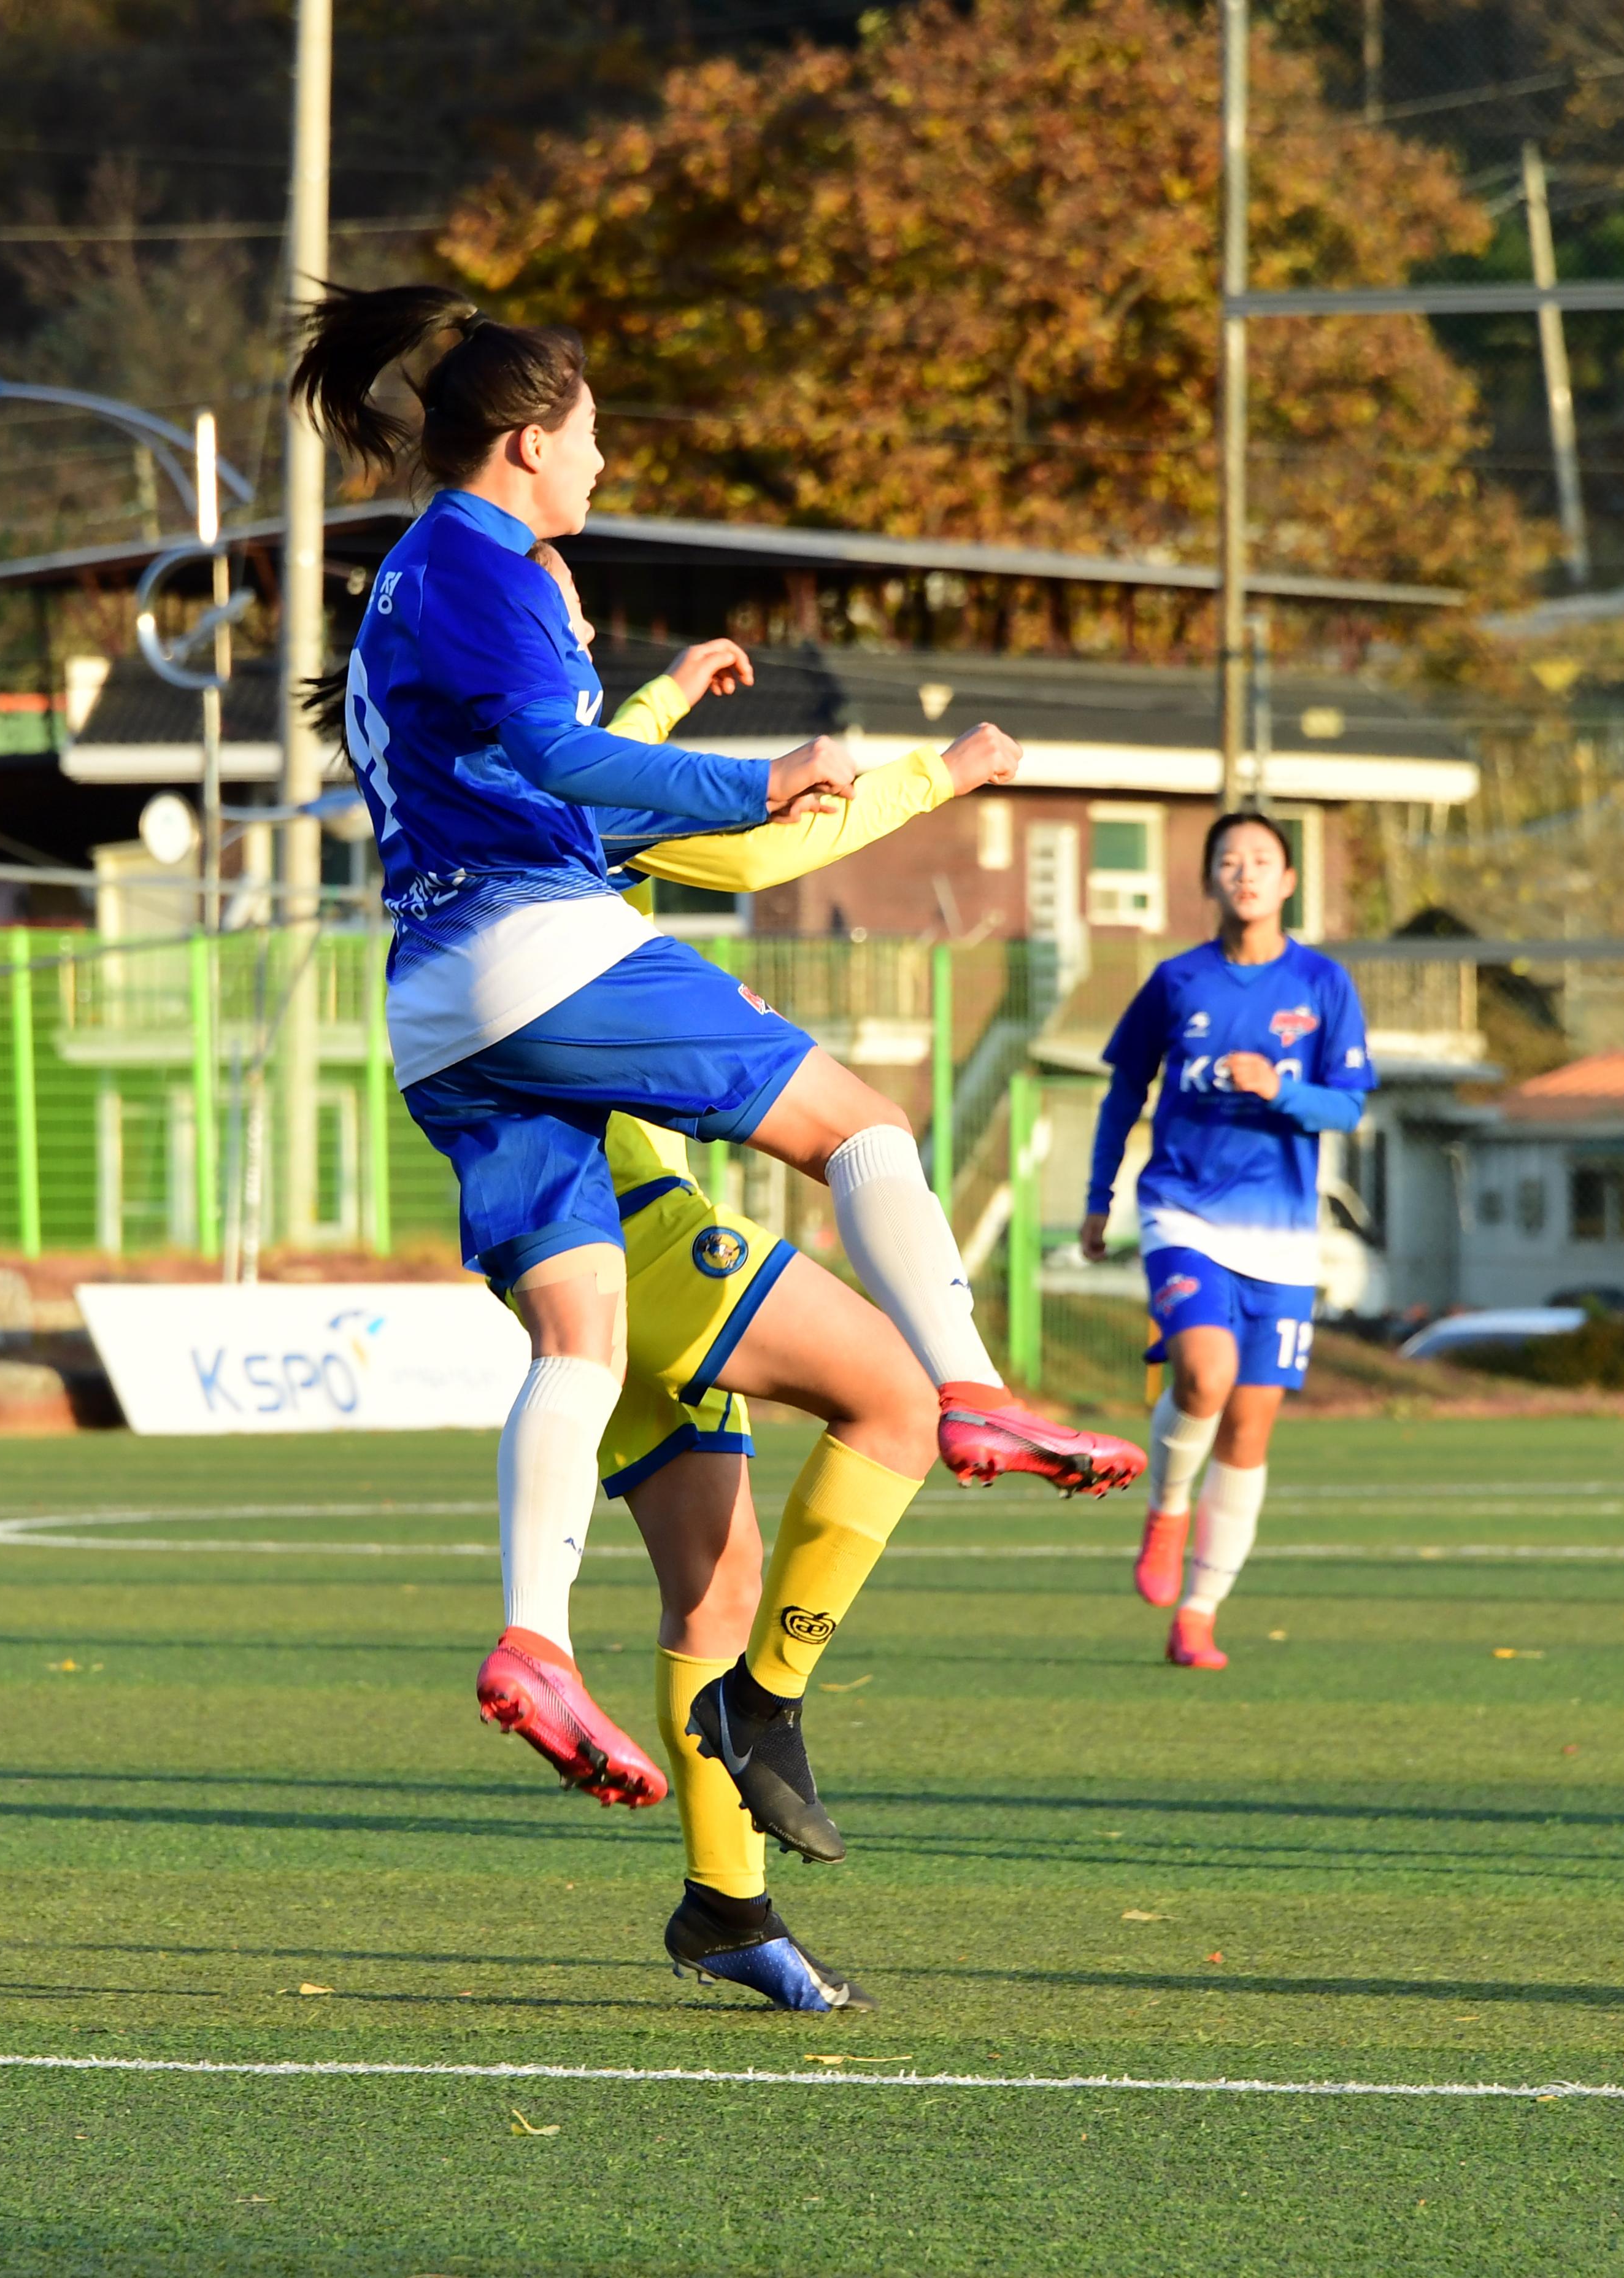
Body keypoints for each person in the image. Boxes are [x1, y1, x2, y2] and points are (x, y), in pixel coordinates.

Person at [288, 282, 1140, 1820]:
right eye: (594, 434)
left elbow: (554, 787)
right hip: (530, 951)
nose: (605, 462)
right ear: (530, 442)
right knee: (864, 1128)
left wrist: (691, 735)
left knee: (580, 1340)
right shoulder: (495, 562)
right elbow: (559, 762)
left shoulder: (411, 588)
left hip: (433, 1007)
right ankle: (969, 1391)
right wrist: (752, 786)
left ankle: (533, 1646)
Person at [563, 547, 1024, 2009]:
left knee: (711, 1578)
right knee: (896, 1390)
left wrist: (663, 683)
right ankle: (768, 1711)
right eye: (563, 623)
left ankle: (724, 1903)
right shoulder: (545, 796)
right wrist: (939, 778)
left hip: (561, 1227)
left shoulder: (490, 775)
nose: (567, 641)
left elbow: (621, 758)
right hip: (628, 1218)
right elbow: (755, 848)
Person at [1079, 814, 1373, 1670]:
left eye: (1262, 861)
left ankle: (1200, 1614)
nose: (1244, 873)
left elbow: (1347, 1107)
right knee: (1202, 1374)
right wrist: (1098, 1197)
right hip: (1184, 1212)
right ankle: (1168, 1507)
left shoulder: (1323, 983)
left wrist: (1282, 1088)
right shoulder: (1177, 983)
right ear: (1209, 881)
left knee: (1248, 1430)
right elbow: (1122, 1091)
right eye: (1228, 861)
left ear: (1288, 882)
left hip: (1281, 1236)